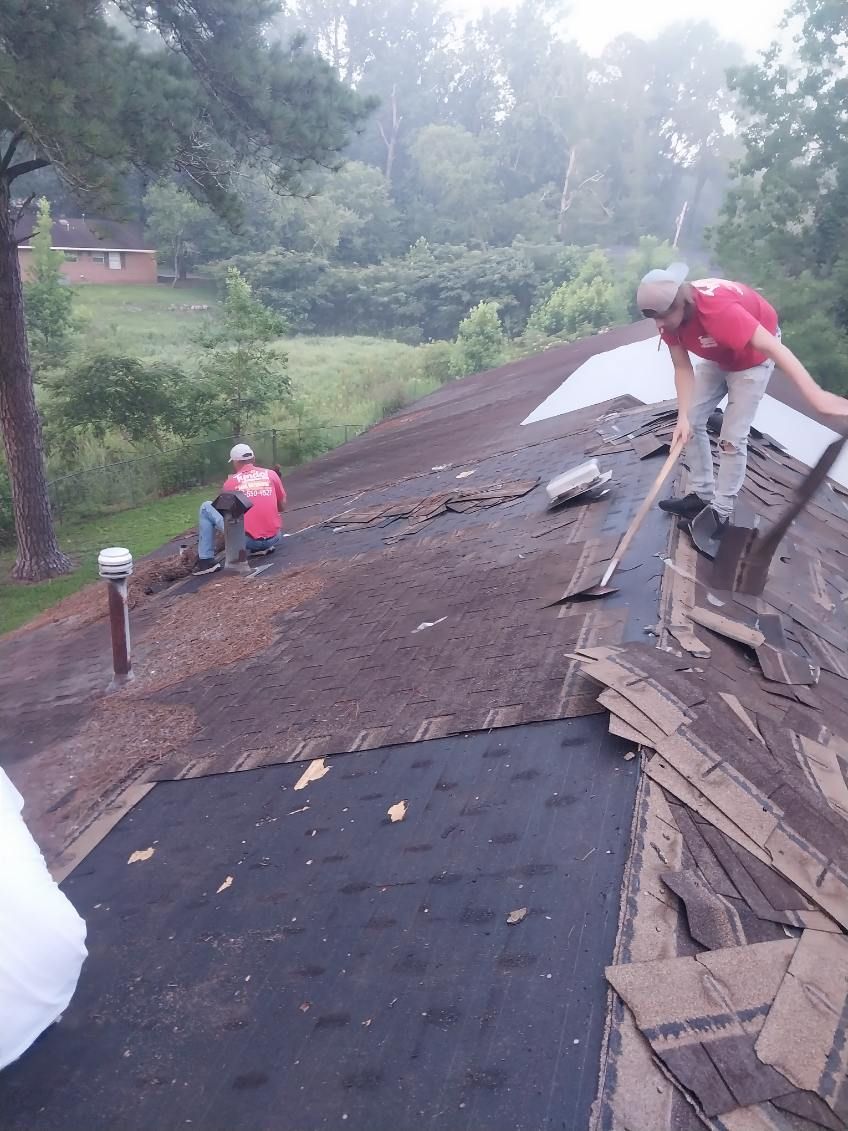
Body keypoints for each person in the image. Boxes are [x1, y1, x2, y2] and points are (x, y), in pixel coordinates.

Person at [637, 264, 848, 532]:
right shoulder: (669, 321)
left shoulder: (720, 312)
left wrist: (815, 395)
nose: (659, 325)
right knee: (690, 422)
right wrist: (683, 418)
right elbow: (682, 368)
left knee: (732, 439)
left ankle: (721, 513)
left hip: (752, 361)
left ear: (682, 304)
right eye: (655, 319)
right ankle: (701, 496)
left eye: (663, 317)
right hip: (719, 356)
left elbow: (774, 348)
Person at [193, 443, 287, 575]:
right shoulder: (271, 474)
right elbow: (282, 507)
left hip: (248, 542)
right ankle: (261, 547)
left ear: (235, 462)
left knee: (206, 507)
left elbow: (228, 516)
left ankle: (206, 561)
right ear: (253, 459)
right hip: (274, 537)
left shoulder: (231, 482)